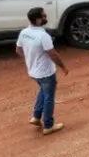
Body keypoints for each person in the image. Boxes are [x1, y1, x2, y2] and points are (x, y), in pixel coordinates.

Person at [17, 7, 69, 136]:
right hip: (46, 72)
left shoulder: (24, 33)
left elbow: (18, 50)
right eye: (44, 16)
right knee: (49, 97)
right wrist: (63, 67)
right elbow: (53, 54)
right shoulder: (43, 36)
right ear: (38, 19)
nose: (46, 17)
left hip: (33, 72)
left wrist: (30, 60)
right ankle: (48, 125)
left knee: (43, 91)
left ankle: (36, 117)